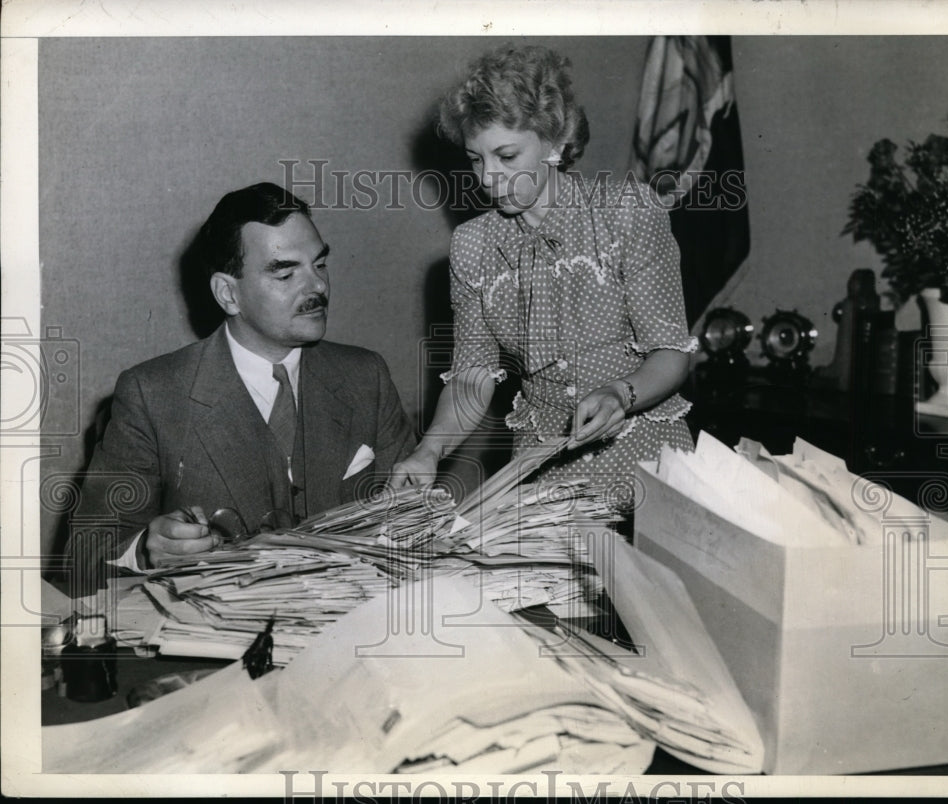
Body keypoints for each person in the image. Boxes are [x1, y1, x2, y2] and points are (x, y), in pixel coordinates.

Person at [69, 182, 414, 591]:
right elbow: (83, 561)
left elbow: (416, 527)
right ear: (228, 294)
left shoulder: (365, 376)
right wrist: (145, 549)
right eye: (286, 272)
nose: (317, 287)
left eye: (319, 265)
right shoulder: (151, 394)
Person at [390, 45, 696, 495]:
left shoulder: (626, 212)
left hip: (645, 460)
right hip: (541, 472)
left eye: (507, 156)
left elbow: (673, 351)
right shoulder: (472, 246)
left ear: (555, 142)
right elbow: (472, 375)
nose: (487, 177)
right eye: (476, 158)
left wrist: (619, 394)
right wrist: (429, 451)